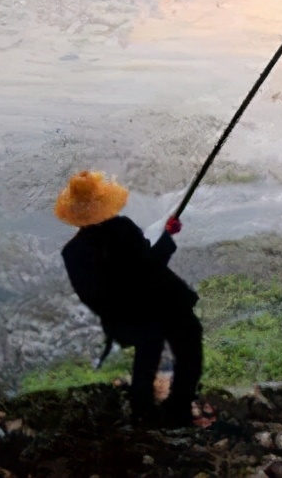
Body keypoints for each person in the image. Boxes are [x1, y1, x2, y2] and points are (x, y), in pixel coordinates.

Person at [55, 170, 203, 428]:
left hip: (137, 312)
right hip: (153, 307)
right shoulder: (122, 229)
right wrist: (167, 238)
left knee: (153, 350)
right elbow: (152, 265)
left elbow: (93, 298)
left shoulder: (74, 252)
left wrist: (167, 236)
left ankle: (148, 412)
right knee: (179, 345)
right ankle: (172, 410)